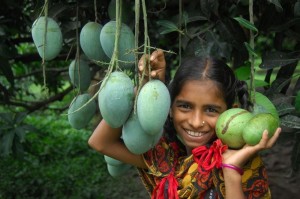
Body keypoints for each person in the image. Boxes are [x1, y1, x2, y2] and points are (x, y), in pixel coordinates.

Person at [88, 49, 281, 199]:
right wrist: (148, 87)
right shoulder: (166, 159)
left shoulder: (244, 164)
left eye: (211, 110)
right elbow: (101, 142)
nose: (196, 122)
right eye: (185, 106)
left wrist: (231, 171)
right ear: (170, 108)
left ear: (232, 111)